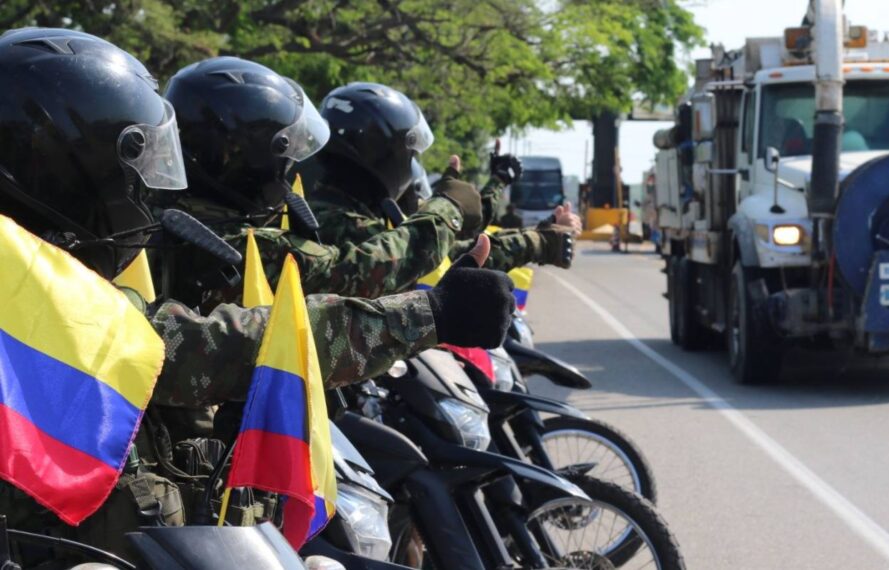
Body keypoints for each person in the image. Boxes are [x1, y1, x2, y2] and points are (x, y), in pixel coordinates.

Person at [0, 28, 513, 560]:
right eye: (133, 163)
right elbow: (225, 346)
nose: (149, 189)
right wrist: (431, 311)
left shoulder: (33, 267)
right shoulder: (27, 289)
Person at [162, 58, 492, 310]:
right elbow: (364, 271)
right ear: (250, 156)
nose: (288, 170)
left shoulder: (159, 218)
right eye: (284, 155)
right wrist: (447, 209)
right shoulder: (241, 247)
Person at [304, 83, 579, 273]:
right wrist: (541, 242)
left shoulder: (327, 208)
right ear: (386, 156)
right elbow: (443, 257)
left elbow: (456, 240)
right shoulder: (346, 225)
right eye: (409, 156)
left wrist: (543, 232)